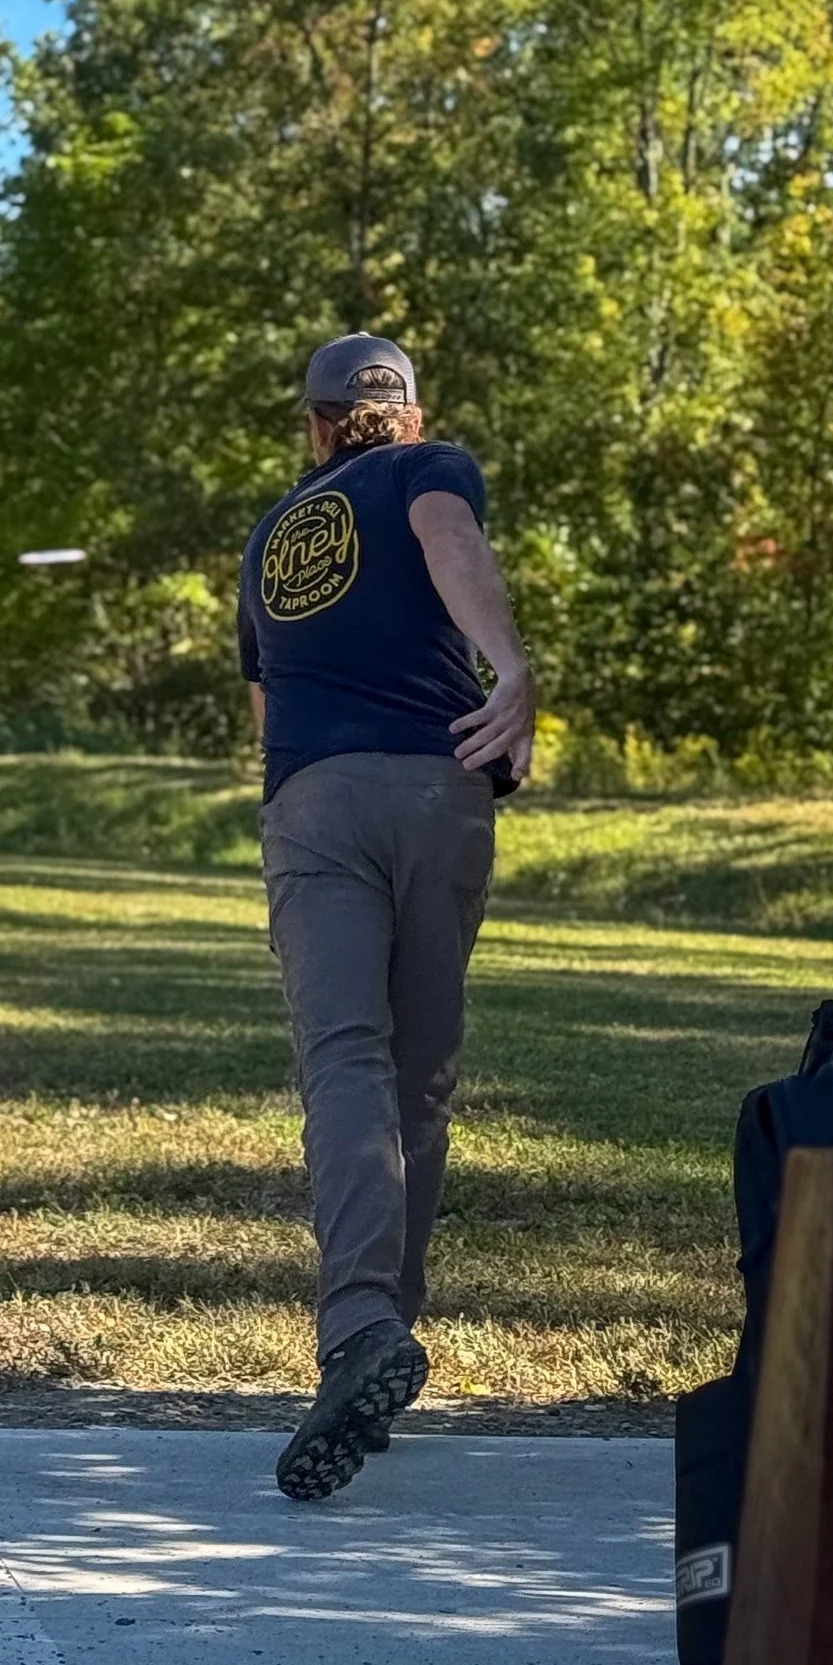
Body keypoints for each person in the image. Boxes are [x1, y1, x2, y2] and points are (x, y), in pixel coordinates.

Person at [236, 332, 535, 1503]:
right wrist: (505, 666)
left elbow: (266, 701)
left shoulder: (272, 539)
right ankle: (384, 1331)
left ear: (313, 423)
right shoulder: (427, 471)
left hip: (315, 798)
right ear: (407, 417)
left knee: (345, 1061)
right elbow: (451, 542)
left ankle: (361, 1328)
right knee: (418, 1078)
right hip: (437, 784)